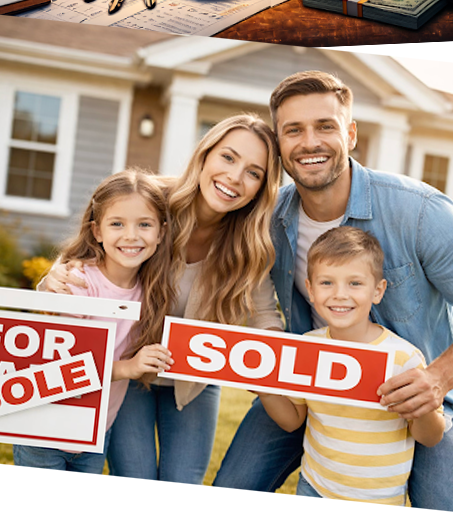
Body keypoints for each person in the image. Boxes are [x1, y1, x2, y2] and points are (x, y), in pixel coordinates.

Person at [213, 71, 453, 513]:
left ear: (350, 133)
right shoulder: (270, 218)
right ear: (279, 145)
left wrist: (436, 380)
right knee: (229, 495)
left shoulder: (419, 211)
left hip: (414, 400)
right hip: (311, 387)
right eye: (293, 130)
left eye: (325, 126)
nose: (309, 142)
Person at [43, 114, 283, 484]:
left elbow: (265, 315)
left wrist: (272, 359)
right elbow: (95, 241)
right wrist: (56, 274)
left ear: (262, 188)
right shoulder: (151, 201)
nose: (235, 177)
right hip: (130, 367)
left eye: (254, 172)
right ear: (204, 155)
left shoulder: (250, 243)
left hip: (193, 380)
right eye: (229, 158)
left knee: (181, 484)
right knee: (134, 478)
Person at [259, 226, 445, 505]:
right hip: (315, 488)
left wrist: (422, 408)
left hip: (380, 499)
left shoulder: (403, 358)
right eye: (326, 283)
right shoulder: (307, 348)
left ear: (378, 291)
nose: (340, 294)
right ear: (310, 289)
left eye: (355, 283)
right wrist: (265, 388)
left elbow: (429, 437)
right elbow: (292, 420)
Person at [12, 170, 175, 474]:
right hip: (45, 430)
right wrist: (129, 367)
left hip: (95, 432)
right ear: (96, 230)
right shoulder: (80, 282)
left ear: (161, 233)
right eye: (117, 224)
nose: (131, 235)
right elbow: (64, 366)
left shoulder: (150, 290)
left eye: (144, 224)